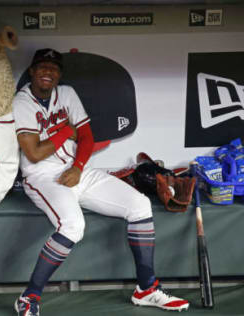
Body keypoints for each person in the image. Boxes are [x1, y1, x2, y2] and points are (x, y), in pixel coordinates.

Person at [11, 48, 189, 316]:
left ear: (59, 74)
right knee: (73, 226)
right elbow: (34, 152)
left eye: (54, 68)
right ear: (33, 71)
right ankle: (29, 297)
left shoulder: (67, 94)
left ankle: (146, 289)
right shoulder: (21, 102)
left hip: (78, 170)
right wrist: (65, 131)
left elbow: (86, 137)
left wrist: (79, 166)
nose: (48, 72)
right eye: (42, 67)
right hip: (43, 176)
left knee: (140, 205)